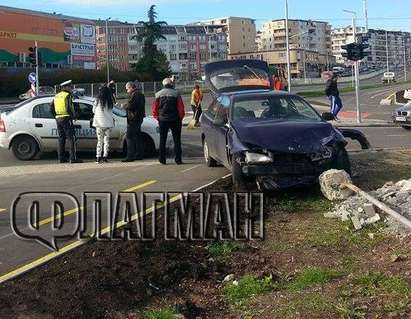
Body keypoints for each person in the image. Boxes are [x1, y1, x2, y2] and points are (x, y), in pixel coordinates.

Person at [152, 78, 185, 165]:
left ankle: (162, 159)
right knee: (177, 140)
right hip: (175, 119)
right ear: (171, 84)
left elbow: (155, 109)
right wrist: (180, 118)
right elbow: (181, 108)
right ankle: (178, 159)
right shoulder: (176, 93)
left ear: (163, 84)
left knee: (162, 140)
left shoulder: (158, 94)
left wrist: (157, 117)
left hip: (163, 120)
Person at [50, 80, 82, 164]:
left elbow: (51, 108)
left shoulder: (56, 96)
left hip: (58, 118)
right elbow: (68, 108)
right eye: (70, 87)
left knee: (61, 138)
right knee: (71, 138)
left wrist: (56, 116)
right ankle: (73, 158)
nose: (71, 88)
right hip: (66, 118)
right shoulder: (68, 95)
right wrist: (73, 116)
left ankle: (61, 158)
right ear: (66, 87)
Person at [121, 81, 145, 162]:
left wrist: (124, 106)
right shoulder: (139, 94)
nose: (127, 91)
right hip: (138, 118)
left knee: (129, 137)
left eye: (127, 89)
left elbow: (132, 105)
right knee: (137, 137)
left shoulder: (135, 94)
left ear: (131, 87)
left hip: (133, 119)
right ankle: (139, 154)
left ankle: (130, 156)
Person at [92, 85, 114, 164]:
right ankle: (105, 156)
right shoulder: (110, 101)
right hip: (108, 124)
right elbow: (111, 112)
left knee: (99, 141)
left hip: (99, 124)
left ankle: (98, 157)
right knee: (106, 141)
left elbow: (93, 110)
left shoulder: (97, 101)